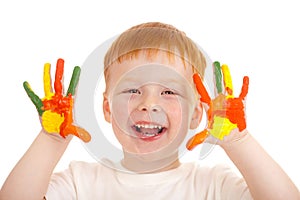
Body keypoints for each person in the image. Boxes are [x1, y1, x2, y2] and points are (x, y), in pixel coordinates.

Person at [0, 22, 299, 200]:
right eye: (132, 90)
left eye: (168, 92)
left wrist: (238, 141)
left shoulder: (212, 185)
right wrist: (50, 140)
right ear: (107, 108)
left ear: (198, 114)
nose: (149, 103)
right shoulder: (80, 181)